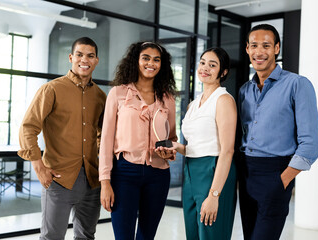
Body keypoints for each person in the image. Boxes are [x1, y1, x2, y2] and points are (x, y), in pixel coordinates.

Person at [238, 24, 318, 240]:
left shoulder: (297, 84)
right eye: (254, 45)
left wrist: (282, 180)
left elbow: (311, 143)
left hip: (275, 173)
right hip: (247, 173)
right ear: (247, 49)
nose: (259, 52)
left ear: (276, 48)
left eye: (266, 45)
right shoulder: (245, 90)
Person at [18, 37, 106, 240]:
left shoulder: (100, 97)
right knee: (52, 237)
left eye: (90, 55)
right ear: (71, 57)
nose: (85, 60)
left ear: (96, 60)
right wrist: (39, 168)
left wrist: (102, 162)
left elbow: (102, 134)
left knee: (86, 236)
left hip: (92, 180)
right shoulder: (52, 89)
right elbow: (28, 128)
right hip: (58, 178)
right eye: (80, 54)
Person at [99, 41, 177, 240]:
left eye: (156, 60)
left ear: (162, 65)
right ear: (136, 61)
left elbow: (171, 138)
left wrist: (168, 150)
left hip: (158, 175)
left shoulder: (167, 98)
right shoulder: (118, 94)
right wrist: (105, 182)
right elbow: (106, 141)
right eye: (146, 58)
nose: (151, 63)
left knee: (146, 236)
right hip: (124, 173)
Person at [157, 47, 237, 240]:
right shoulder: (194, 104)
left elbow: (227, 151)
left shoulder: (223, 100)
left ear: (223, 72)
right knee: (193, 234)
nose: (205, 68)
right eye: (202, 62)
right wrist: (178, 148)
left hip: (213, 171)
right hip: (191, 171)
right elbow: (200, 144)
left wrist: (214, 195)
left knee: (211, 233)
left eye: (212, 65)